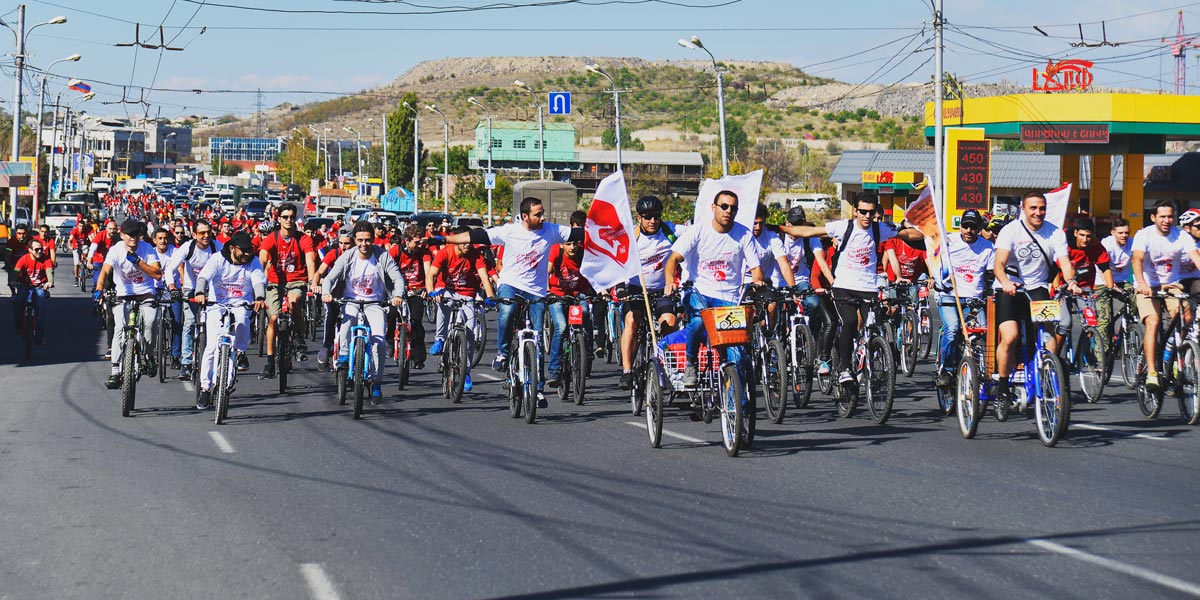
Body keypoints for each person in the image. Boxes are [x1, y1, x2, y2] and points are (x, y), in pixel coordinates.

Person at [438, 197, 585, 409]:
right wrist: (443, 240)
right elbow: (476, 235)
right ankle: (503, 353)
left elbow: (580, 233)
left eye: (543, 213)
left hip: (536, 291)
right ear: (525, 216)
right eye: (538, 214)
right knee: (508, 311)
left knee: (538, 339)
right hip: (511, 284)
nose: (543, 217)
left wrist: (614, 229)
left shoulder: (551, 231)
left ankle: (539, 388)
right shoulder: (510, 231)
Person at [778, 195, 926, 385]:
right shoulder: (843, 227)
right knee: (847, 322)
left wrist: (931, 232)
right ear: (855, 211)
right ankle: (844, 368)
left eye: (871, 212)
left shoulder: (879, 229)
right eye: (863, 211)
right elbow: (809, 232)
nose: (867, 216)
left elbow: (908, 234)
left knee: (874, 325)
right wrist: (780, 228)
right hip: (844, 286)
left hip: (868, 287)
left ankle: (868, 354)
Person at [663, 190, 766, 387]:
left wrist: (757, 282)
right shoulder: (698, 231)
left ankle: (736, 408)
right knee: (699, 321)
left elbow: (756, 270)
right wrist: (670, 281)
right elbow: (673, 259)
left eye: (733, 208)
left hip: (730, 297)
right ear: (714, 208)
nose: (729, 211)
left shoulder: (744, 234)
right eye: (724, 206)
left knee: (736, 353)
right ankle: (691, 362)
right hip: (699, 292)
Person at [991, 191, 1081, 401]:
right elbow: (999, 264)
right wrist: (1005, 283)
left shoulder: (1055, 233)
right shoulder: (1010, 231)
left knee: (1048, 334)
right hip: (1009, 288)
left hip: (1037, 288)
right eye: (1033, 208)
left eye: (1041, 208)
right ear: (1023, 208)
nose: (1038, 212)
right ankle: (1003, 387)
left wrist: (1071, 282)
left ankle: (1049, 372)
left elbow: (1064, 262)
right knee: (1011, 336)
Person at [320, 220, 407, 400]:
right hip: (350, 301)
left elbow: (398, 279)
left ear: (373, 240)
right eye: (359, 240)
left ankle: (376, 382)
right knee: (344, 327)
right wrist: (326, 292)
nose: (363, 244)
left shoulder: (382, 256)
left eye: (367, 240)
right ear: (355, 240)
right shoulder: (347, 256)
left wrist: (397, 295)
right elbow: (329, 278)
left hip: (375, 303)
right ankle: (343, 358)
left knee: (379, 341)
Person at [191, 232, 266, 409]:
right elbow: (203, 277)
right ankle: (205, 388)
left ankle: (240, 353)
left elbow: (258, 281)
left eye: (250, 250)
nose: (247, 254)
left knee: (242, 322)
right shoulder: (218, 259)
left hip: (240, 303)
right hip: (216, 304)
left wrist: (260, 297)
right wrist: (200, 293)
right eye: (244, 250)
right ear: (232, 248)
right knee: (211, 346)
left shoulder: (253, 262)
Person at [1131, 200, 1200, 391]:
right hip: (1147, 284)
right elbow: (1137, 259)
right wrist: (1142, 283)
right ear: (1153, 217)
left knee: (1185, 315)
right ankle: (1152, 372)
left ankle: (1171, 352)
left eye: (1170, 216)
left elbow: (1196, 257)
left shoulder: (1181, 236)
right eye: (1162, 216)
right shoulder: (1144, 235)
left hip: (1171, 284)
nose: (1167, 220)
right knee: (1153, 322)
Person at [618, 196, 681, 390]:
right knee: (632, 321)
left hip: (663, 289)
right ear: (639, 218)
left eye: (656, 216)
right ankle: (627, 371)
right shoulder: (631, 236)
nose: (653, 221)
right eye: (647, 217)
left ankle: (670, 367)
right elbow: (617, 261)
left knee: (670, 323)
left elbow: (698, 231)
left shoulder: (671, 230)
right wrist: (620, 287)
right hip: (636, 289)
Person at [927, 209, 994, 386]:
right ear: (960, 226)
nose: (969, 231)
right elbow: (931, 255)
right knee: (953, 328)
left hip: (974, 300)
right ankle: (947, 369)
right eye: (965, 226)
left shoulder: (987, 247)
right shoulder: (948, 241)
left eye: (973, 227)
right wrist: (935, 278)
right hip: (949, 297)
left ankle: (981, 371)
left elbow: (991, 275)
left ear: (979, 228)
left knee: (984, 333)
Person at [426, 224, 496, 391]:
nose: (467, 245)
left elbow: (485, 278)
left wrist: (491, 296)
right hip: (447, 290)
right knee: (445, 304)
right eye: (463, 242)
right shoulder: (445, 253)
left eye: (469, 242)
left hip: (467, 294)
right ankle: (440, 338)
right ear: (456, 241)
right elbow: (431, 275)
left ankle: (466, 371)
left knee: (470, 332)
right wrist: (431, 292)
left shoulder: (476, 255)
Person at [95, 219, 163, 389]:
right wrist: (99, 288)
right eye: (130, 235)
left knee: (150, 323)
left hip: (146, 293)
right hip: (124, 294)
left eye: (136, 235)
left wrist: (138, 262)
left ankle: (149, 356)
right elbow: (105, 270)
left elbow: (157, 274)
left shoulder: (147, 249)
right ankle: (116, 370)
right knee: (119, 327)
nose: (133, 238)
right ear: (122, 235)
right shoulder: (115, 250)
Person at [258, 203, 317, 379]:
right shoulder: (271, 238)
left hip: (296, 280)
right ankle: (269, 363)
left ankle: (298, 336)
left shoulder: (304, 239)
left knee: (293, 303)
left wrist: (313, 281)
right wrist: (259, 280)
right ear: (279, 219)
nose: (289, 220)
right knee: (273, 319)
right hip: (275, 282)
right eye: (285, 217)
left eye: (292, 217)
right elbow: (262, 257)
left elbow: (310, 261)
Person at [166, 220, 223, 381]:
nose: (206, 236)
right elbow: (170, 268)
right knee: (189, 323)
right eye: (202, 233)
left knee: (217, 325)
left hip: (211, 289)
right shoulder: (187, 247)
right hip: (191, 288)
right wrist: (172, 286)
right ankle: (186, 363)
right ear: (194, 235)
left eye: (208, 232)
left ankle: (220, 361)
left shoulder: (217, 247)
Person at [546, 233, 596, 388]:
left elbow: (594, 272)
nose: (572, 247)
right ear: (562, 245)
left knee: (586, 313)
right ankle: (554, 370)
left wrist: (602, 292)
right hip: (557, 294)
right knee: (561, 328)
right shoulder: (556, 250)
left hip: (578, 294)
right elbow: (546, 271)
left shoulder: (582, 252)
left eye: (575, 244)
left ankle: (586, 348)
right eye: (568, 244)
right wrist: (547, 291)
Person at [390, 224, 432, 369]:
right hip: (398, 291)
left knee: (416, 322)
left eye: (420, 241)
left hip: (417, 290)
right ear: (407, 241)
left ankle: (418, 357)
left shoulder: (424, 252)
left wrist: (427, 288)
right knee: (391, 315)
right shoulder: (396, 251)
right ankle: (390, 343)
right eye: (416, 242)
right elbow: (386, 270)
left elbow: (428, 272)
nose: (419, 244)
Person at [312, 232, 353, 369]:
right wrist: (315, 284)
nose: (343, 246)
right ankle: (326, 346)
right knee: (330, 316)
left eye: (346, 243)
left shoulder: (359, 255)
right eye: (341, 243)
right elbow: (320, 272)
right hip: (334, 294)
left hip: (354, 296)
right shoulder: (334, 253)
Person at [12, 238, 54, 345]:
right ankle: (19, 327)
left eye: (41, 249)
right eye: (36, 250)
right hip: (25, 286)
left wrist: (49, 282)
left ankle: (38, 337)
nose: (40, 251)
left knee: (40, 312)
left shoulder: (46, 259)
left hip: (40, 287)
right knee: (18, 302)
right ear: (30, 250)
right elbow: (16, 271)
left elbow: (49, 271)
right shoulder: (23, 259)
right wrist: (12, 281)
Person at [69, 215, 95, 285]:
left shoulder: (87, 230)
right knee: (76, 263)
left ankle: (87, 263)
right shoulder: (75, 230)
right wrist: (70, 246)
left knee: (87, 250)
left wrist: (94, 245)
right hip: (76, 247)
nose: (81, 227)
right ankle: (76, 279)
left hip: (84, 246)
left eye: (82, 226)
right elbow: (70, 239)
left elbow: (91, 238)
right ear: (78, 225)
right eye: (80, 226)